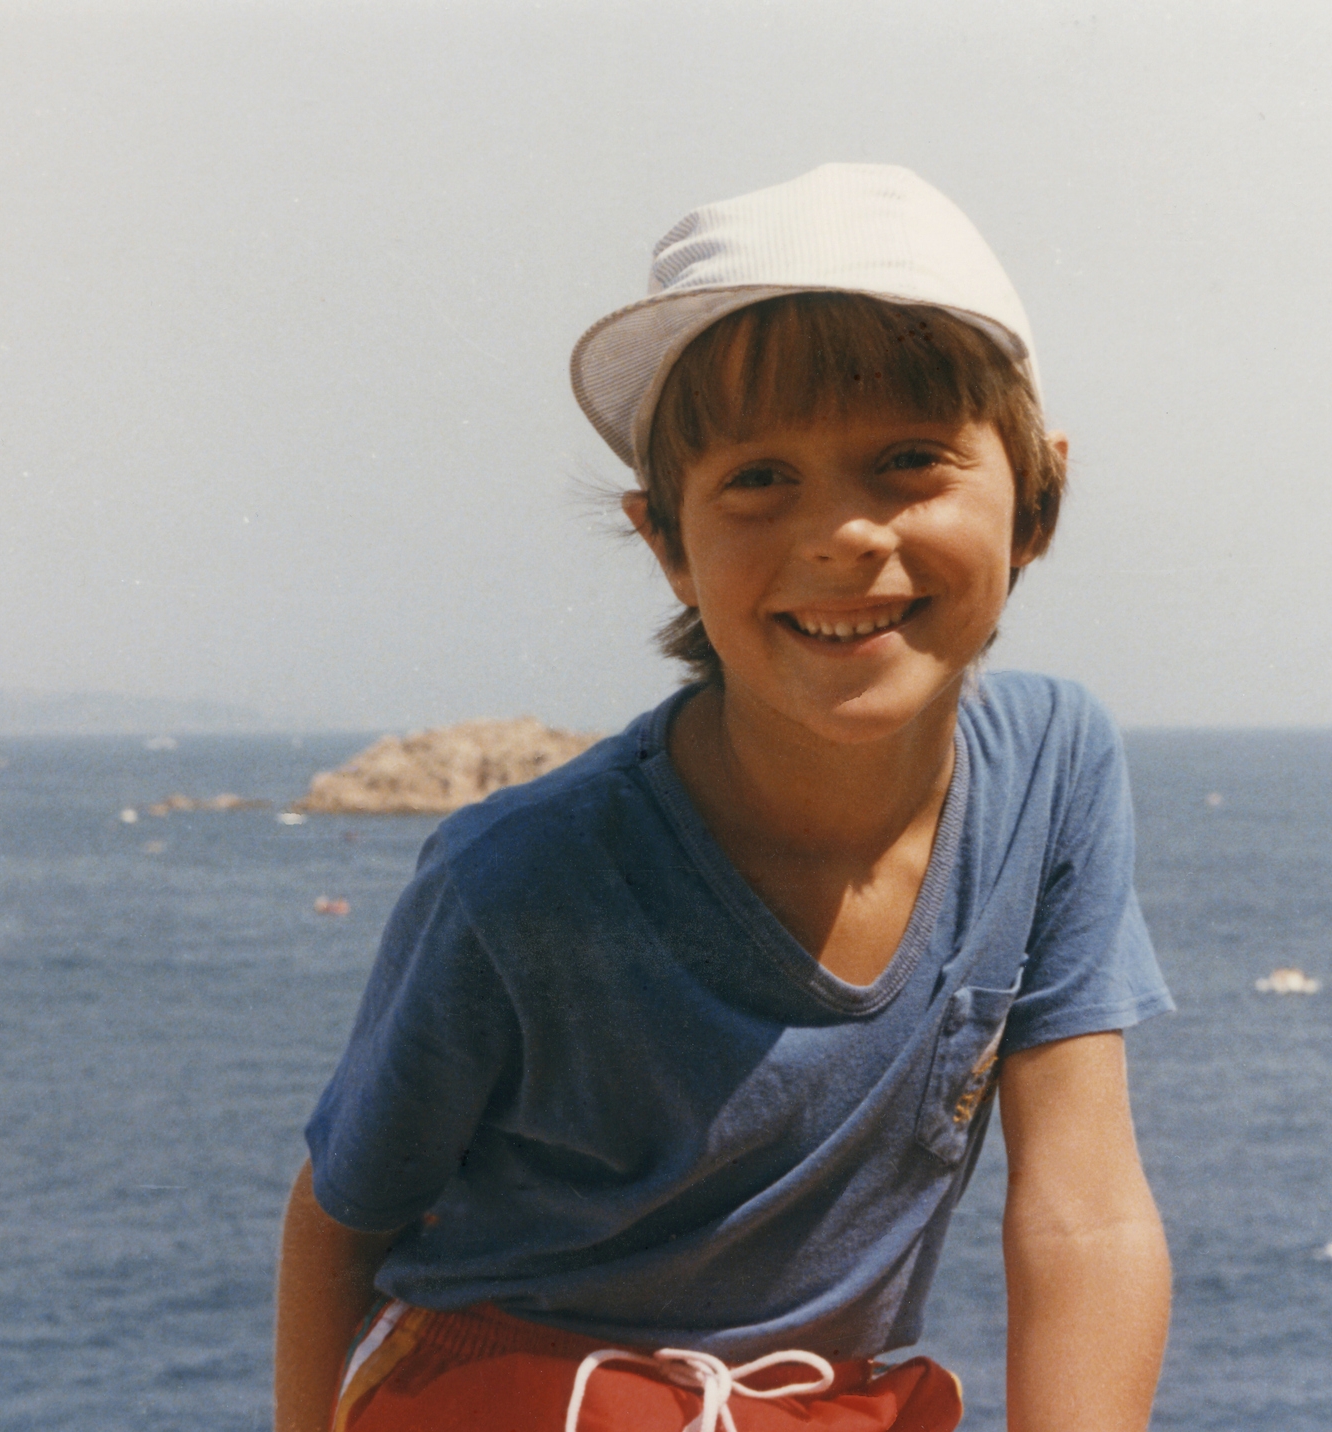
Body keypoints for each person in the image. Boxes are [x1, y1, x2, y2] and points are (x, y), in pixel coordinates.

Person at [276, 163, 1176, 1432]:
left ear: (1034, 497)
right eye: (760, 478)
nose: (842, 534)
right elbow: (342, 1216)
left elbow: (1085, 1212)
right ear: (668, 543)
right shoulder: (521, 879)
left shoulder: (1053, 767)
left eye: (908, 460)